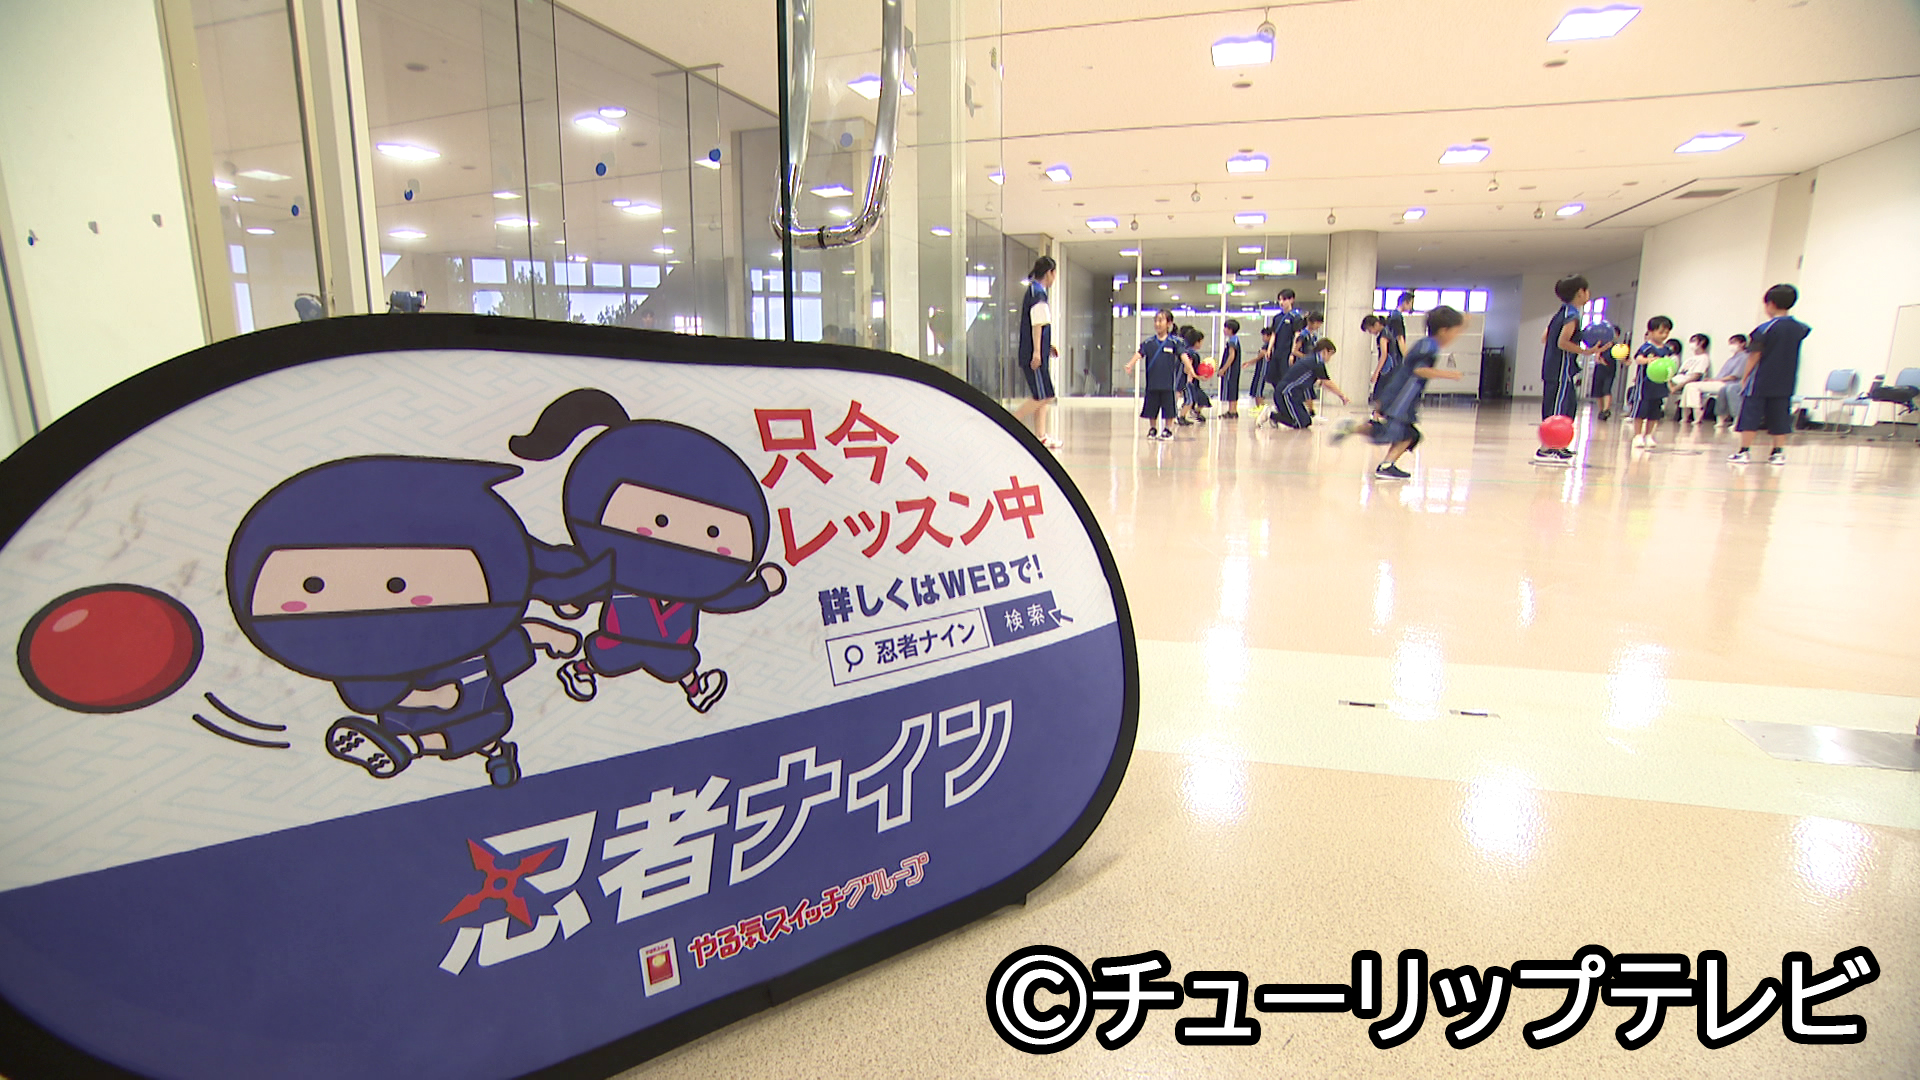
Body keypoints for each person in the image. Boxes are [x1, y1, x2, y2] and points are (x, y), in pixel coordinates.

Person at [1332, 306, 1466, 478]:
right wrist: (1450, 375)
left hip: (1398, 395)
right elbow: (1420, 370)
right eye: (1454, 332)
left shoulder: (1426, 344)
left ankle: (1357, 433)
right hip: (1402, 399)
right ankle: (1384, 463)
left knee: (1401, 432)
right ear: (1443, 331)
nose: (1455, 336)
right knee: (1403, 433)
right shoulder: (1429, 347)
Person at [1731, 284, 1812, 465]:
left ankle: (1744, 451)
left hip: (1761, 380)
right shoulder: (1800, 328)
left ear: (1771, 304)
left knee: (1750, 416)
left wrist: (1745, 377)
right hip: (1786, 381)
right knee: (1780, 417)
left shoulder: (1764, 329)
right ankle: (1778, 453)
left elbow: (1754, 355)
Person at [1537, 275, 1605, 464]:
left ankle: (1557, 445)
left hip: (1555, 368)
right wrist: (1586, 351)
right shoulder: (1571, 315)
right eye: (1587, 290)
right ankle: (1549, 448)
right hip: (1560, 370)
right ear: (1580, 292)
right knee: (1557, 410)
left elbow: (1545, 337)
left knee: (1566, 406)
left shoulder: (1561, 313)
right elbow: (1562, 342)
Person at [1012, 256, 1063, 449]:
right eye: (1054, 274)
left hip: (1037, 352)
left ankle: (1041, 436)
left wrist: (1047, 346)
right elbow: (1037, 325)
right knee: (1044, 396)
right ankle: (1011, 421)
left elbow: (1038, 325)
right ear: (1050, 273)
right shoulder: (1038, 293)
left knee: (1042, 395)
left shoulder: (1036, 291)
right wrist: (1036, 352)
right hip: (1034, 356)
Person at [1125, 309, 1192, 441]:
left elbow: (1183, 355)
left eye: (1161, 321)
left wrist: (1190, 368)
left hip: (1168, 383)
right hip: (1153, 382)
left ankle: (1168, 429)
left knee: (1169, 407)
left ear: (1169, 323)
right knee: (1152, 406)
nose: (1157, 324)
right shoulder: (1149, 342)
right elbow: (1139, 353)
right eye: (1156, 321)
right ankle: (1153, 428)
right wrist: (1130, 364)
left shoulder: (1174, 342)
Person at [1272, 338, 1351, 429]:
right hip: (1285, 393)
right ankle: (1271, 414)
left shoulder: (1313, 359)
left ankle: (1278, 414)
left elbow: (1321, 382)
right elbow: (1327, 382)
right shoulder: (1316, 362)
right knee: (1298, 423)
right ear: (1325, 351)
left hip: (1294, 395)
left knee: (1306, 421)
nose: (1330, 358)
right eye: (1330, 354)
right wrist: (1342, 396)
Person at [1629, 316, 1679, 448]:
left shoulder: (1666, 350)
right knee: (1641, 412)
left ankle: (1649, 435)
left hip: (1659, 386)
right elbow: (1638, 359)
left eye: (1667, 332)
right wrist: (1648, 361)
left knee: (1654, 413)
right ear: (1651, 332)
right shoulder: (1647, 347)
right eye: (1661, 332)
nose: (1664, 335)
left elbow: (1668, 366)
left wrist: (1670, 382)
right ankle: (1638, 435)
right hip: (1645, 386)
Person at [1704, 334, 1750, 428]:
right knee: (1722, 390)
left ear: (1743, 343)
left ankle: (1737, 419)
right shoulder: (1731, 359)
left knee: (1730, 389)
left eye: (1734, 343)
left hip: (1738, 382)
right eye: (1730, 343)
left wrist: (1716, 380)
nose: (1732, 345)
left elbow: (1735, 376)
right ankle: (1721, 418)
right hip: (1725, 382)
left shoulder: (1745, 357)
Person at [1674, 333, 1715, 425]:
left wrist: (1677, 387)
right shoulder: (1690, 359)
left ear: (1702, 342)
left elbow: (1696, 376)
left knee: (1689, 387)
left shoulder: (1704, 358)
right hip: (1677, 380)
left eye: (1694, 341)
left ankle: (1691, 417)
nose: (1691, 344)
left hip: (1688, 382)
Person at [1178, 325, 1210, 424]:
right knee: (1189, 401)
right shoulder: (1190, 354)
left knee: (1195, 400)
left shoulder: (1190, 353)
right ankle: (1181, 417)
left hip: (1191, 382)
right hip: (1188, 382)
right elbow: (1187, 369)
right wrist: (1196, 377)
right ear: (1196, 342)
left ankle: (1189, 414)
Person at [1590, 328, 1624, 420]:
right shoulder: (1601, 345)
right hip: (1599, 369)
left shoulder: (1617, 347)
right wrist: (1599, 359)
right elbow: (1596, 357)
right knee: (1598, 391)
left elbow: (1622, 358)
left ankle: (1606, 410)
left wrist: (1625, 360)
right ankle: (1601, 410)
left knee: (1606, 389)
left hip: (1609, 370)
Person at [1218, 319, 1244, 418]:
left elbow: (1231, 356)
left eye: (1225, 328)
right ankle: (1232, 410)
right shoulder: (1234, 340)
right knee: (1233, 387)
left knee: (1231, 388)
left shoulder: (1232, 341)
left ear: (1230, 329)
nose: (1224, 330)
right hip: (1234, 370)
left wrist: (1223, 369)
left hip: (1231, 370)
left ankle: (1232, 411)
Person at [1361, 315, 1389, 410]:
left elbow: (1384, 355)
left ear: (1376, 324)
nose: (1371, 333)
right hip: (1387, 368)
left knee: (1379, 394)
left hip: (1388, 368)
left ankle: (1378, 413)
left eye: (1370, 330)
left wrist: (1376, 372)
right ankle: (1378, 413)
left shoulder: (1383, 336)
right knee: (1380, 393)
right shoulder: (1385, 332)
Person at [1250, 327, 1275, 412]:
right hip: (1259, 369)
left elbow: (1260, 356)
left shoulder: (1269, 347)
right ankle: (1258, 406)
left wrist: (1249, 362)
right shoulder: (1265, 346)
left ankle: (1261, 407)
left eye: (1264, 335)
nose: (1263, 338)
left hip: (1263, 370)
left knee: (1258, 389)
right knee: (1256, 387)